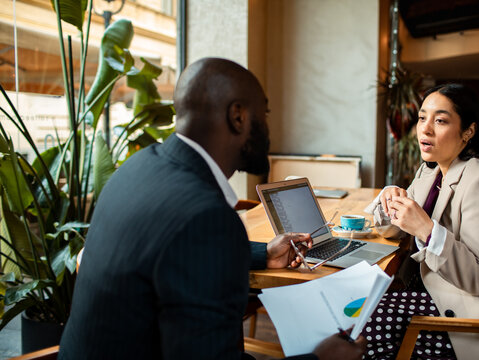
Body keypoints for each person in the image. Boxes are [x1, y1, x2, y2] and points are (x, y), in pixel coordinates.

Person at [58, 57, 366, 360]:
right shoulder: (208, 217)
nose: (268, 128)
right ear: (238, 116)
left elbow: (175, 252)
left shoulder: (138, 167)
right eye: (265, 114)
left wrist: (264, 254)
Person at [363, 83, 479, 360]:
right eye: (422, 117)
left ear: (468, 131)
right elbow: (393, 229)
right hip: (434, 293)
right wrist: (390, 200)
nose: (425, 128)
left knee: (367, 318)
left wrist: (425, 229)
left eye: (441, 120)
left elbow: (478, 280)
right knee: (362, 307)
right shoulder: (429, 172)